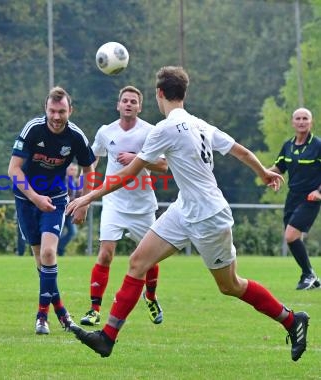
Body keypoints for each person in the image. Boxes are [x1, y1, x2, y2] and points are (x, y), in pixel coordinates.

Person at [67, 66, 309, 362]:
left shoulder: (164, 129)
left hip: (208, 216)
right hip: (184, 208)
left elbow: (128, 174)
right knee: (137, 262)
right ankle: (107, 337)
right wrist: (263, 173)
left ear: (159, 94)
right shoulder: (200, 124)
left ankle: (291, 320)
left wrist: (88, 196)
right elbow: (241, 152)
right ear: (184, 93)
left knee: (230, 285)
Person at [8, 86, 96, 335]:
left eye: (62, 111)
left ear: (71, 110)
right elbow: (13, 170)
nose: (56, 117)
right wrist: (35, 198)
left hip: (56, 198)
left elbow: (89, 169)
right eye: (52, 111)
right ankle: (63, 315)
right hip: (26, 199)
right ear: (45, 109)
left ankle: (41, 317)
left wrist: (84, 201)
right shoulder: (33, 129)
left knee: (48, 254)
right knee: (40, 262)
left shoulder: (76, 136)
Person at [80, 86, 168, 327]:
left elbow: (164, 165)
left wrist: (137, 159)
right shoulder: (105, 132)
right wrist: (85, 194)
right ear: (118, 105)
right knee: (106, 253)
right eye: (125, 100)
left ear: (140, 107)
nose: (129, 104)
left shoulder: (150, 132)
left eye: (133, 101)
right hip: (113, 203)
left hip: (142, 205)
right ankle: (94, 309)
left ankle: (150, 297)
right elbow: (92, 159)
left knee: (149, 258)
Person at [270, 108, 321, 290]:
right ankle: (312, 277)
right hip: (292, 197)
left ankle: (307, 274)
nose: (301, 121)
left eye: (305, 118)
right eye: (298, 118)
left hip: (311, 198)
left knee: (291, 236)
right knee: (291, 238)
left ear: (311, 122)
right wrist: (262, 172)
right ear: (293, 122)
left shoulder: (317, 145)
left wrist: (319, 192)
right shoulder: (288, 146)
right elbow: (278, 168)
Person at [57, 163, 82, 256]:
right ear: (67, 170)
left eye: (75, 170)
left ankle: (59, 248)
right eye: (71, 169)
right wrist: (75, 200)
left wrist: (80, 192)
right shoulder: (63, 180)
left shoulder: (76, 182)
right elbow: (63, 196)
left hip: (70, 211)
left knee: (72, 232)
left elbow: (79, 196)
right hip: (62, 210)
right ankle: (58, 249)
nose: (73, 172)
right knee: (59, 231)